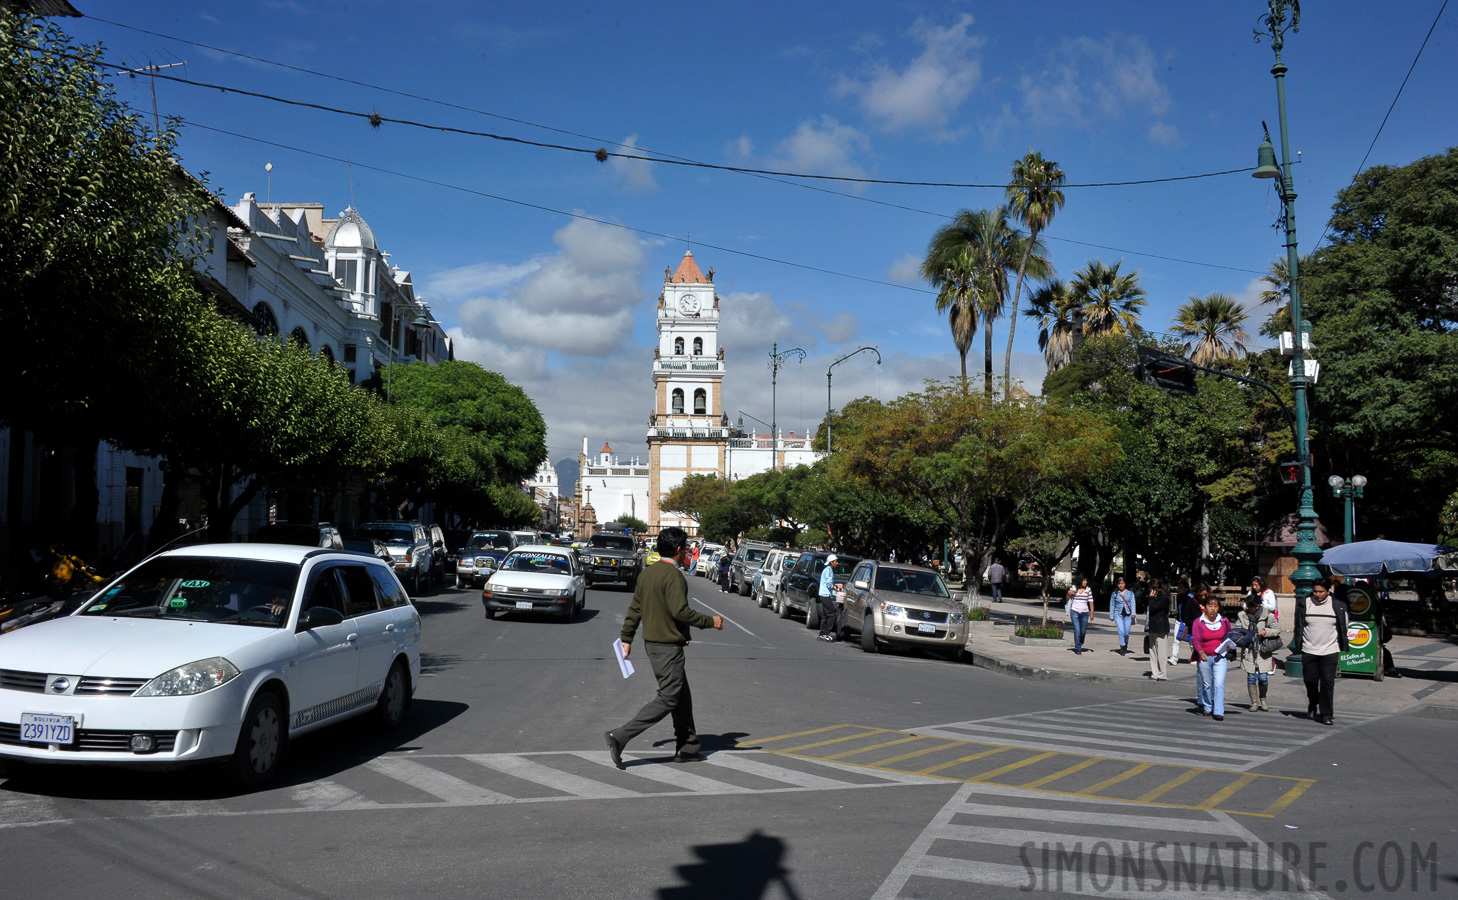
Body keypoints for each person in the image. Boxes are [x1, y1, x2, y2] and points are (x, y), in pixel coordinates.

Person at [605, 527, 724, 769]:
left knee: (682, 697)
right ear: (679, 550)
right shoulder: (673, 576)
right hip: (668, 647)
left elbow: (635, 609)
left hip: (654, 645)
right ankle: (620, 736)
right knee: (669, 697)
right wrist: (710, 621)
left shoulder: (647, 574)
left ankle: (688, 746)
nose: (688, 550)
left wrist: (627, 638)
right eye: (687, 547)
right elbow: (680, 611)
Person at [1290, 577, 1349, 725]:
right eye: (1315, 591)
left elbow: (1344, 626)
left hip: (1330, 649)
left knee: (1327, 682)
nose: (1317, 594)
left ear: (1328, 591)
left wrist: (1342, 645)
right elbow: (1299, 625)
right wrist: (1299, 644)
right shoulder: (1305, 603)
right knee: (1310, 680)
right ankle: (1313, 701)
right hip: (1309, 648)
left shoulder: (1338, 605)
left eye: (1321, 591)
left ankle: (1326, 714)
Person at [1191, 589, 1232, 720]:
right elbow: (1196, 640)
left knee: (1219, 683)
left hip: (1220, 657)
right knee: (1207, 684)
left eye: (1215, 606)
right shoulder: (1199, 622)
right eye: (1210, 606)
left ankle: (1219, 710)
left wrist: (1230, 646)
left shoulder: (1224, 621)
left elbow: (1230, 636)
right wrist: (1199, 651)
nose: (1213, 609)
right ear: (1205, 607)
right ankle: (1208, 706)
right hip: (1205, 657)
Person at [1237, 591, 1277, 711]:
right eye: (1247, 605)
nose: (1247, 608)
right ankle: (1254, 703)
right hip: (1249, 651)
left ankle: (1263, 698)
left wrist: (1266, 632)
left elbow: (1276, 629)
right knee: (1251, 678)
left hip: (1262, 650)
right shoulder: (1242, 615)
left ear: (1257, 606)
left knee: (1263, 677)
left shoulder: (1268, 616)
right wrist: (1243, 636)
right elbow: (1237, 629)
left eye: (1250, 606)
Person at [1145, 579, 1171, 681]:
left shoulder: (1163, 598)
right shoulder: (1154, 598)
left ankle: (1162, 673)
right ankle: (1155, 672)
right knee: (1153, 651)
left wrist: (1151, 599)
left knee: (1162, 652)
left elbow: (1153, 608)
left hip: (1161, 627)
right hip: (1152, 627)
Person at [1170, 582, 1200, 666]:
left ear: (1186, 588)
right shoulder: (1179, 597)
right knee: (1176, 640)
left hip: (1189, 622)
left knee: (1191, 640)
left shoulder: (1191, 598)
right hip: (1179, 621)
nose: (1179, 589)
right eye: (1178, 587)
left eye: (1181, 587)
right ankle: (1174, 657)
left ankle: (1195, 656)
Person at [1065, 575, 1093, 654]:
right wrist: (1068, 593)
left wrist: (1092, 614)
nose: (1086, 582)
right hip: (1075, 611)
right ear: (1080, 581)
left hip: (1085, 613)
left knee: (1083, 631)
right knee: (1077, 630)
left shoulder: (1088, 590)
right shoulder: (1074, 588)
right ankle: (1078, 648)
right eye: (1084, 580)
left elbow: (1091, 602)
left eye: (1086, 580)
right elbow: (1067, 598)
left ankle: (1080, 642)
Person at [1109, 576, 1137, 654]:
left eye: (1122, 583)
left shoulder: (1130, 593)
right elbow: (1112, 604)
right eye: (1119, 584)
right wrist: (1111, 615)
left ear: (1125, 584)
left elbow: (1133, 603)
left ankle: (1125, 644)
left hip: (1128, 615)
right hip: (1118, 614)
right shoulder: (1115, 593)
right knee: (1121, 631)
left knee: (1126, 632)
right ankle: (1122, 646)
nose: (1121, 585)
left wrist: (1134, 613)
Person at [817, 554, 841, 642]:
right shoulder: (829, 570)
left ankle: (822, 633)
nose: (837, 563)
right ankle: (826, 633)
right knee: (832, 615)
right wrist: (837, 590)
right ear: (831, 562)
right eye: (836, 562)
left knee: (825, 615)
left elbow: (827, 582)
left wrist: (835, 585)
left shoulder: (827, 570)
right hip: (825, 595)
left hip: (823, 594)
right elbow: (828, 584)